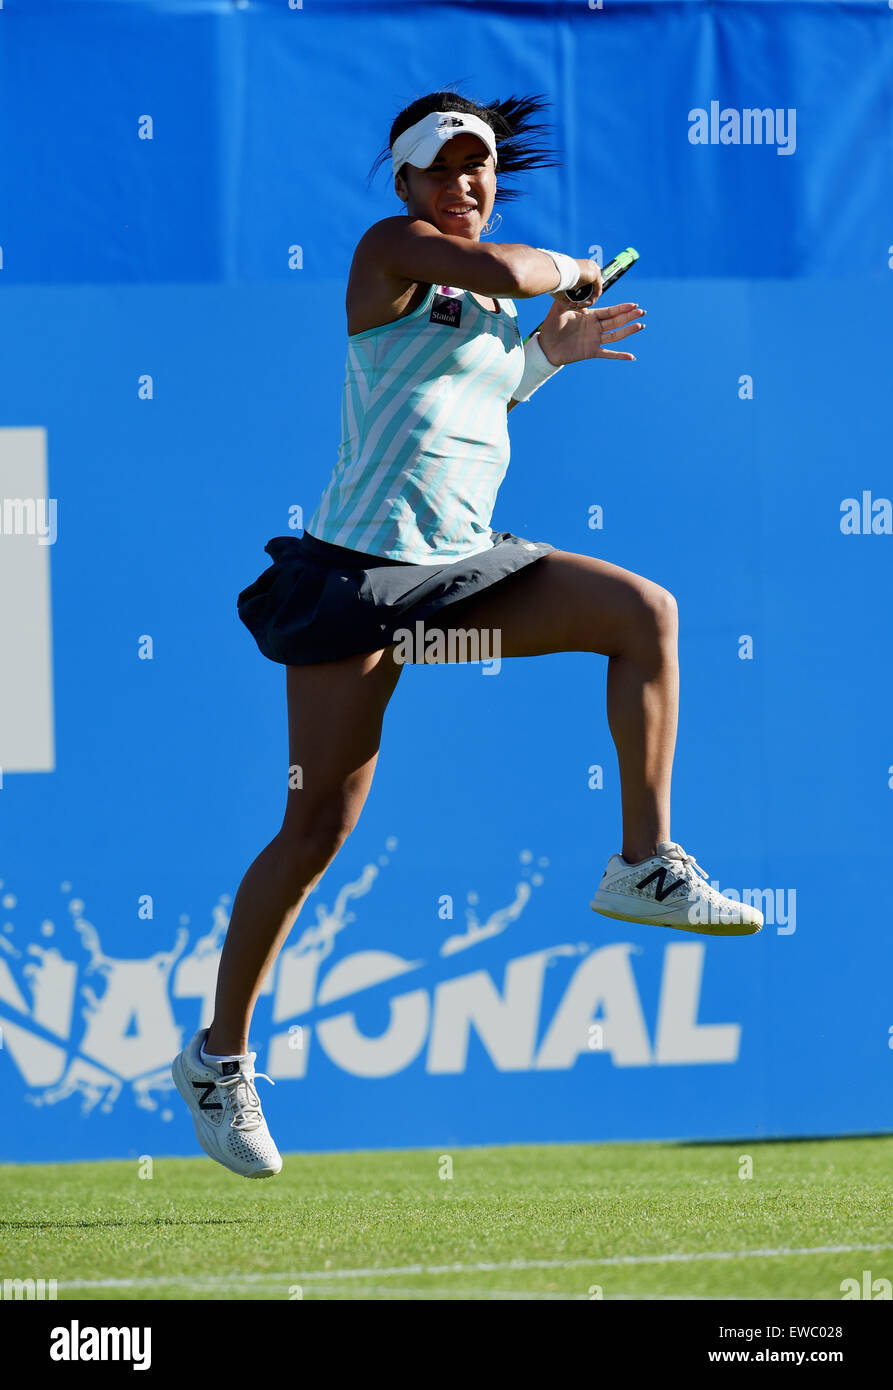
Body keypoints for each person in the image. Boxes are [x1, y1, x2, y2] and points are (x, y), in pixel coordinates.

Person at [172, 89, 763, 1179]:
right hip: (355, 588)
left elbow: (472, 398)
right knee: (312, 836)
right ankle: (217, 1059)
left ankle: (641, 861)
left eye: (481, 165)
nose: (467, 182)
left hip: (463, 574)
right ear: (405, 183)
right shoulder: (391, 248)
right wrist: (560, 274)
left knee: (644, 615)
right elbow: (507, 272)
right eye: (445, 167)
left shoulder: (489, 301)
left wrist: (547, 356)